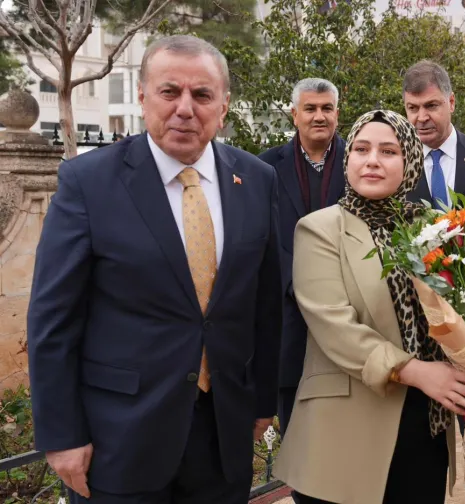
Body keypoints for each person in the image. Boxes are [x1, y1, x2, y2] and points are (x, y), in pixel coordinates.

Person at [26, 35, 282, 503]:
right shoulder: (89, 182)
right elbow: (53, 319)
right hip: (120, 438)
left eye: (202, 95)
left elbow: (265, 303)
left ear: (223, 106)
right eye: (170, 92)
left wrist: (262, 400)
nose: (185, 108)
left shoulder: (257, 180)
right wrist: (61, 434)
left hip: (222, 434)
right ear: (143, 97)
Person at [273, 109, 465, 504]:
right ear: (348, 158)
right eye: (361, 149)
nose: (372, 160)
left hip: (424, 423)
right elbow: (335, 326)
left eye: (388, 151)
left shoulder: (432, 227)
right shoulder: (320, 229)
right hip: (346, 429)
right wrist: (418, 371)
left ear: (409, 163)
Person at [258, 77, 346, 436]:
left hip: (347, 315)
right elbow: (259, 241)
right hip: (288, 321)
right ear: (295, 114)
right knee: (296, 436)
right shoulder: (264, 169)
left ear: (337, 114)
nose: (319, 116)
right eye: (310, 109)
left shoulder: (362, 162)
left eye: (326, 108)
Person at [402, 60, 465, 208]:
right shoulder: (396, 164)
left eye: (431, 106)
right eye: (413, 108)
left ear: (451, 102)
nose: (422, 117)